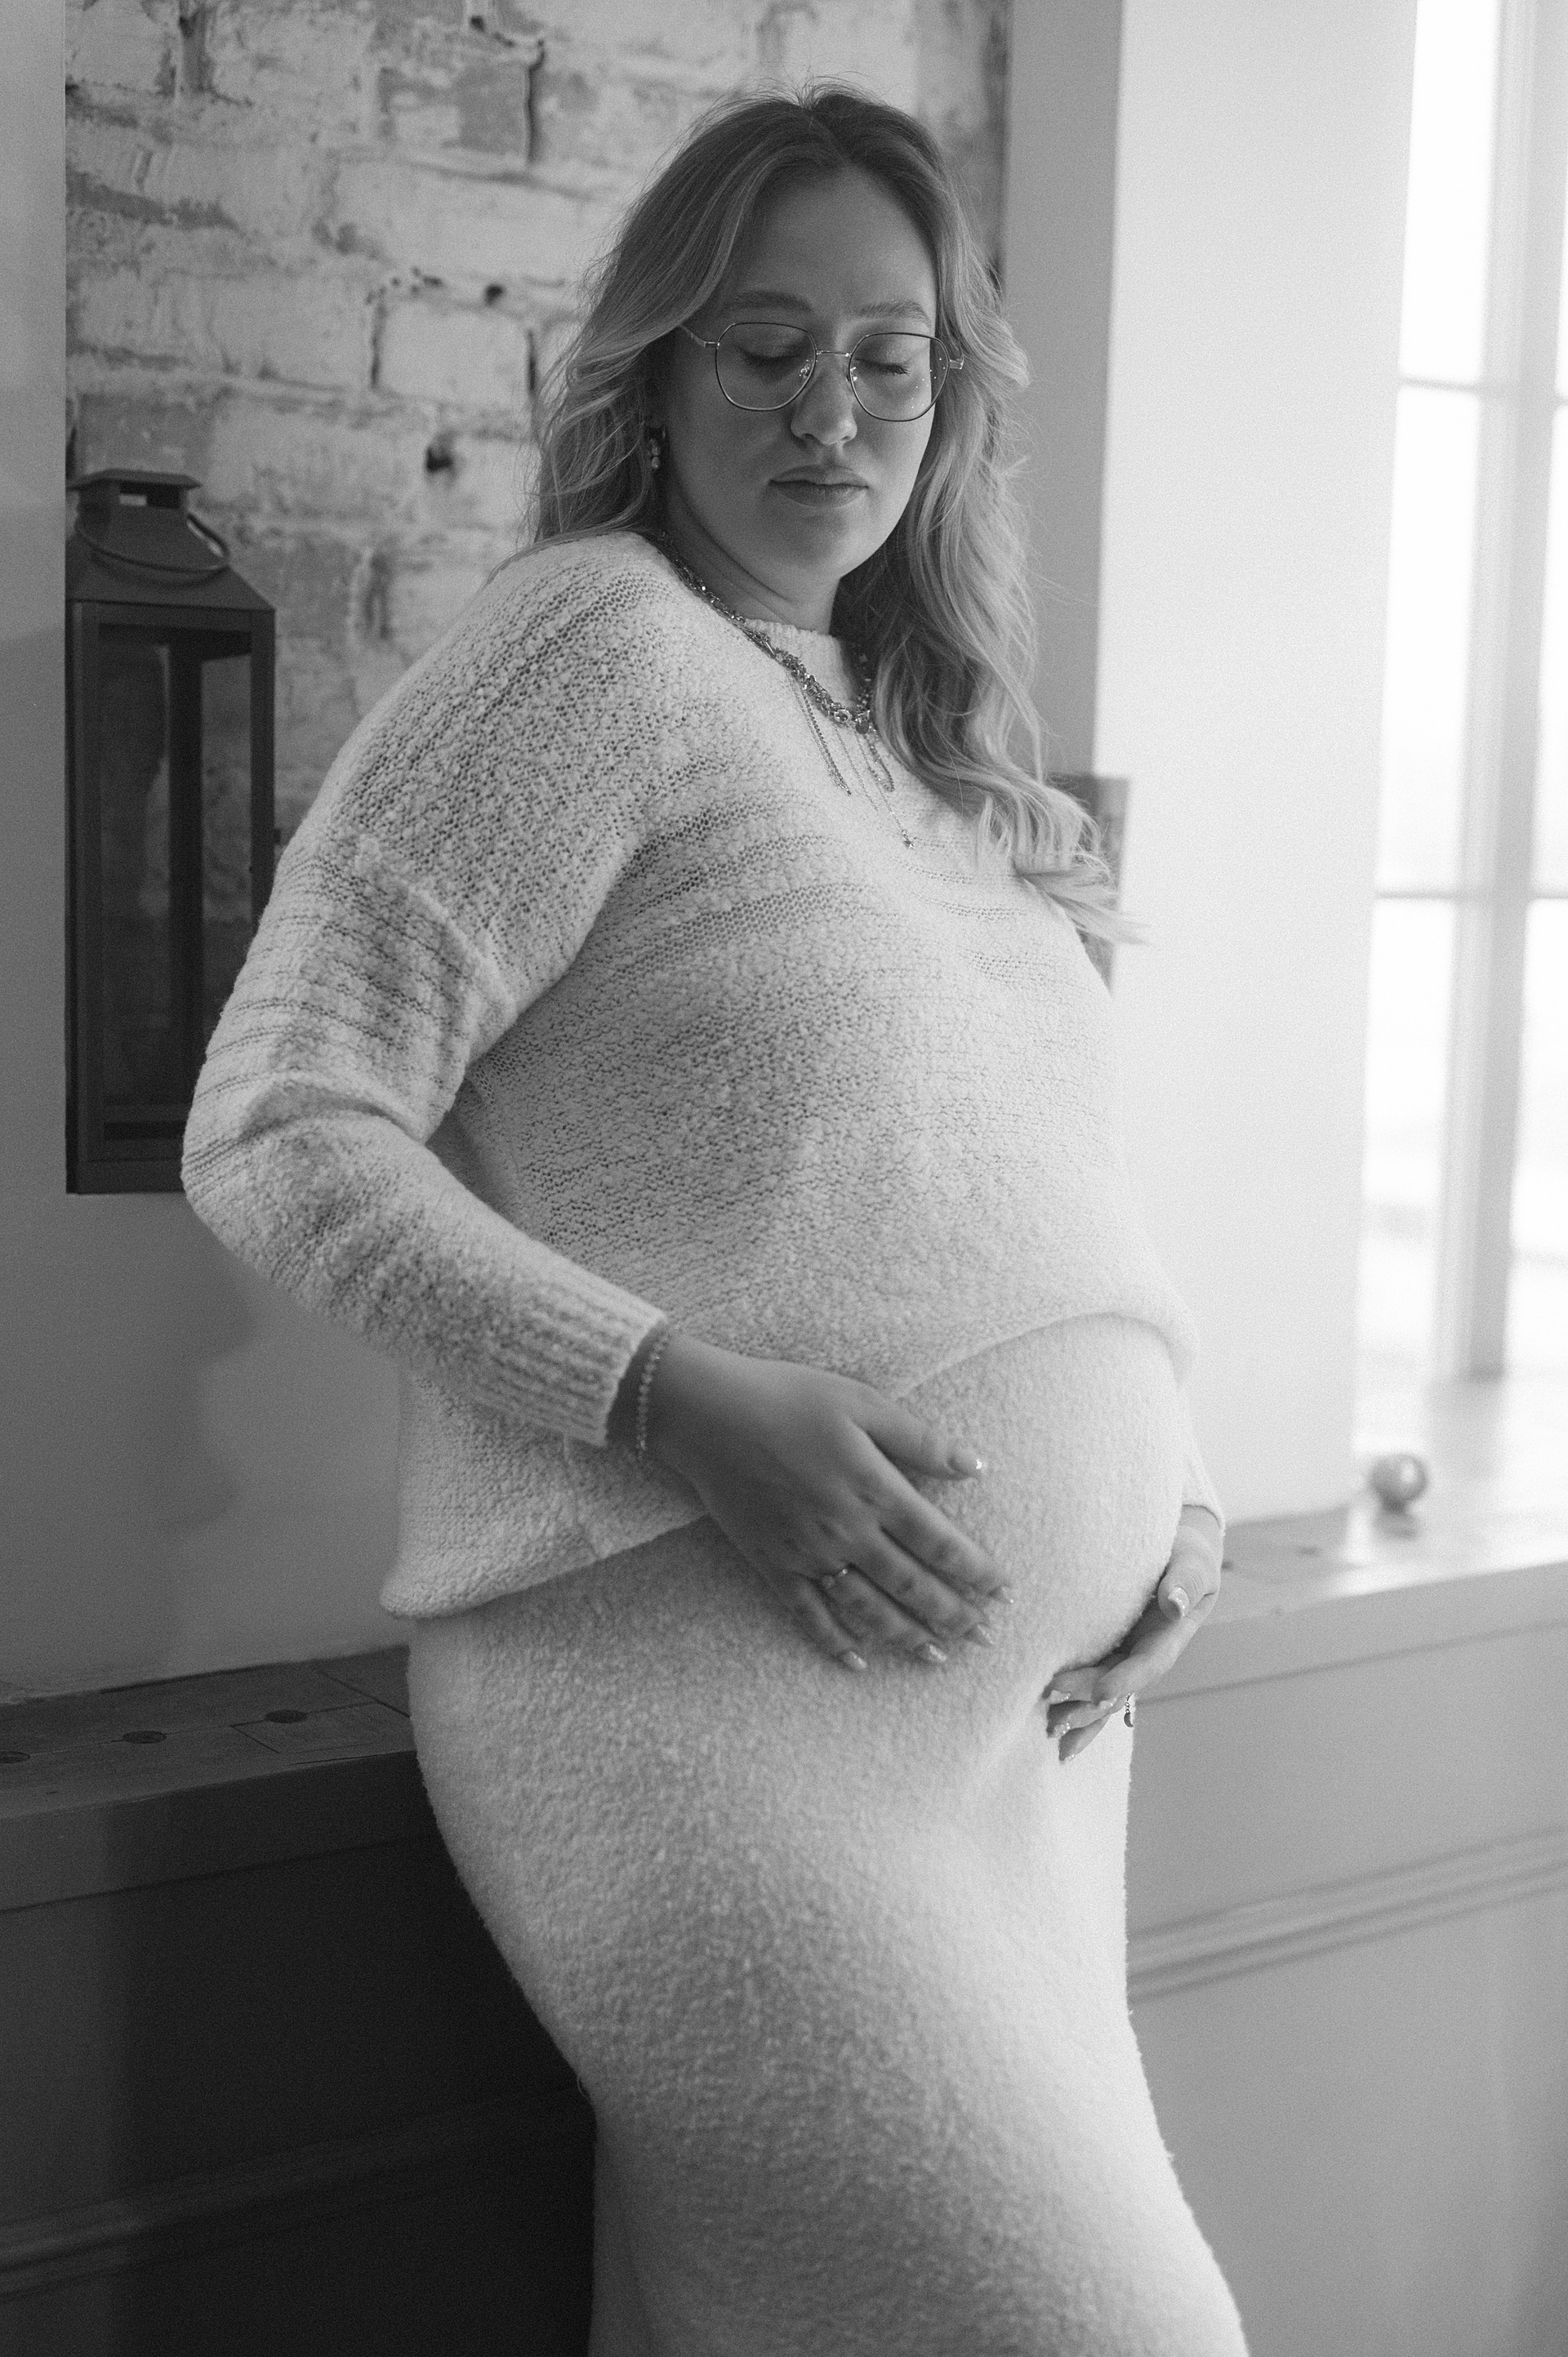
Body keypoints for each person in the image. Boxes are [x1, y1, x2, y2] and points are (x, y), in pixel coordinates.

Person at [182, 82, 1247, 2357]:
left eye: (885, 357)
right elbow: (277, 1121)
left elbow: (1023, 1182)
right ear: (655, 374)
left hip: (1022, 1753)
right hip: (706, 1709)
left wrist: (1176, 1488)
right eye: (763, 348)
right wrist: (677, 1400)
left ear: (947, 400)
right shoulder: (593, 646)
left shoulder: (921, 745)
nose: (827, 409)